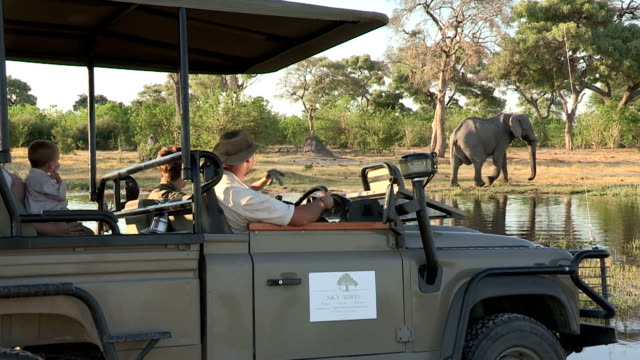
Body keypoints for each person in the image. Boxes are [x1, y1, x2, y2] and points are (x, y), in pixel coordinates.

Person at [213, 129, 333, 233]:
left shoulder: (221, 183)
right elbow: (301, 217)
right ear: (248, 159)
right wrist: (323, 202)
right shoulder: (243, 198)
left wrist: (266, 179)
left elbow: (248, 190)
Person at [24, 140, 92, 235]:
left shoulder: (33, 177)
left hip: (49, 216)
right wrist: (59, 180)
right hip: (51, 219)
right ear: (51, 164)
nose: (58, 164)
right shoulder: (42, 180)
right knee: (89, 233)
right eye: (57, 160)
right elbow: (61, 195)